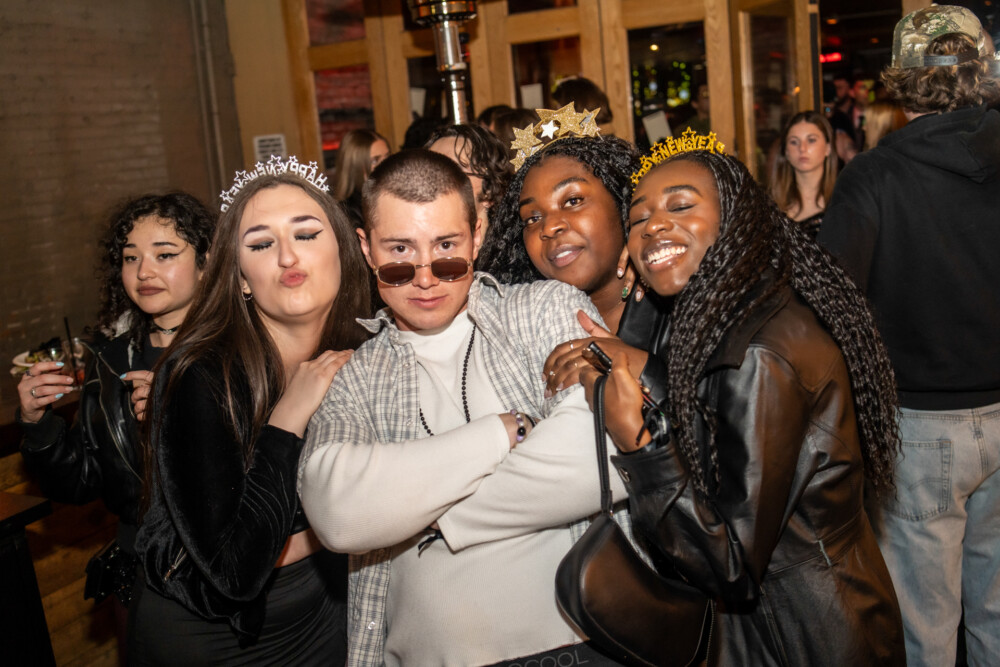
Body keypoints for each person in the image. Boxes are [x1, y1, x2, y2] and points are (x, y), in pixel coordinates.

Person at [298, 149, 636, 666]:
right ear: (367, 249)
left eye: (447, 249)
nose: (426, 276)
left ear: (477, 235)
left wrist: (428, 517)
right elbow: (337, 513)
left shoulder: (541, 309)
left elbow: (601, 456)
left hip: (575, 651)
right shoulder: (355, 377)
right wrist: (504, 433)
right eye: (399, 253)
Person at [576, 144, 905, 665]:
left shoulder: (761, 351)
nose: (654, 226)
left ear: (735, 218)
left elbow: (728, 561)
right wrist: (639, 317)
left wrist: (639, 445)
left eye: (680, 207)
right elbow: (709, 411)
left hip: (805, 637)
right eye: (638, 219)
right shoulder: (735, 306)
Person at [130, 160, 371, 664]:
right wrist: (289, 415)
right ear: (240, 279)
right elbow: (234, 570)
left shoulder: (368, 350)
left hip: (323, 613)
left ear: (345, 251)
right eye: (261, 244)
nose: (287, 256)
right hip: (212, 638)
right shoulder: (199, 374)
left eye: (305, 234)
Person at [817, 7, 1000, 665]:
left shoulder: (875, 177)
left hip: (920, 428)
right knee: (996, 614)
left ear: (900, 82)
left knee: (924, 629)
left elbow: (831, 302)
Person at [17, 192, 215, 662]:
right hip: (141, 578)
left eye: (165, 255)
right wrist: (37, 423)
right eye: (131, 258)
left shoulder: (239, 350)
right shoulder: (110, 360)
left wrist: (183, 418)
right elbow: (84, 481)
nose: (144, 272)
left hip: (221, 576)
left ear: (207, 264)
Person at [481, 135, 640, 335]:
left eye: (573, 201)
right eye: (532, 218)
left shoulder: (677, 302)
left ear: (624, 203)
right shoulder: (516, 333)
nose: (548, 228)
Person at [426, 123, 510, 236]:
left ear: (490, 189)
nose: (435, 181)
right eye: (428, 172)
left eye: (453, 170)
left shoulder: (514, 251)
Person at [770, 111, 838, 237]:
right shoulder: (770, 208)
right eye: (794, 142)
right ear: (786, 151)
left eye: (811, 140)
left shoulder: (843, 202)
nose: (802, 148)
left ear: (828, 148)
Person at [332, 128, 390, 226]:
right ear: (355, 167)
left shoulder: (390, 196)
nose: (386, 164)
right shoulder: (348, 215)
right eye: (375, 161)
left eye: (387, 157)